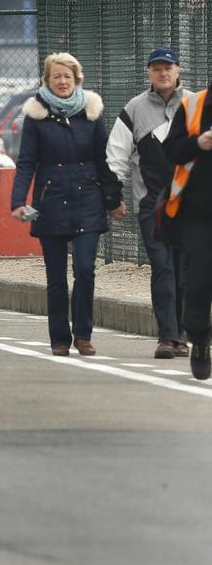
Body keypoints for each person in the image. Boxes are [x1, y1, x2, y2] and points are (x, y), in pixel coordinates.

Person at [12, 53, 121, 357]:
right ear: (47, 80)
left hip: (88, 198)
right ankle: (60, 338)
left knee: (85, 269)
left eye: (67, 77)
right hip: (50, 201)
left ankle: (83, 334)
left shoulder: (92, 112)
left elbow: (104, 159)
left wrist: (113, 199)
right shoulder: (35, 116)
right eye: (56, 76)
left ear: (77, 80)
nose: (62, 81)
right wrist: (18, 201)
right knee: (56, 276)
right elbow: (26, 163)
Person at [106, 47, 191, 359]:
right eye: (156, 68)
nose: (163, 73)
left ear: (178, 71)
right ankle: (167, 337)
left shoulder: (197, 105)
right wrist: (112, 197)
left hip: (191, 207)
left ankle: (181, 335)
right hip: (151, 205)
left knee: (184, 270)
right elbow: (116, 155)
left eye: (168, 67)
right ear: (149, 73)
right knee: (163, 267)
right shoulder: (134, 108)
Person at [162, 80, 212, 379]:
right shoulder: (193, 105)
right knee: (197, 283)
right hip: (199, 214)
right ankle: (200, 338)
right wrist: (198, 143)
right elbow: (171, 150)